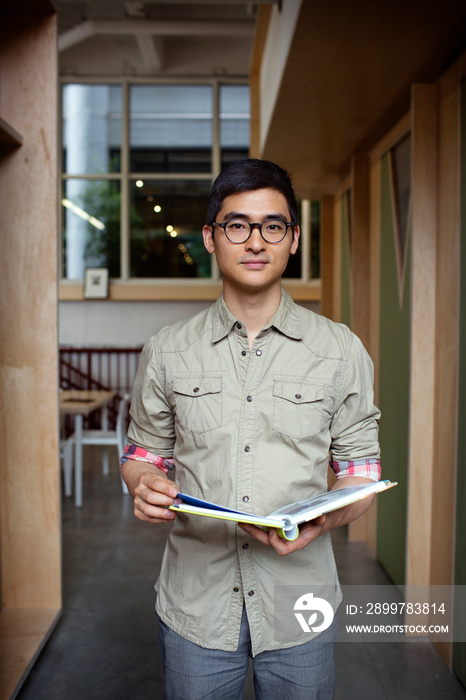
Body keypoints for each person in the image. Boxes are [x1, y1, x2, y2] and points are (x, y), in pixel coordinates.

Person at [120, 159, 381, 700]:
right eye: (237, 225)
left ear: (294, 239)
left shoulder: (339, 350)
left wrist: (323, 522)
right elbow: (145, 454)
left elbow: (361, 474)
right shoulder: (168, 350)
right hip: (195, 603)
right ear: (212, 239)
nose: (256, 241)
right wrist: (141, 483)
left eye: (273, 226)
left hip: (299, 603)